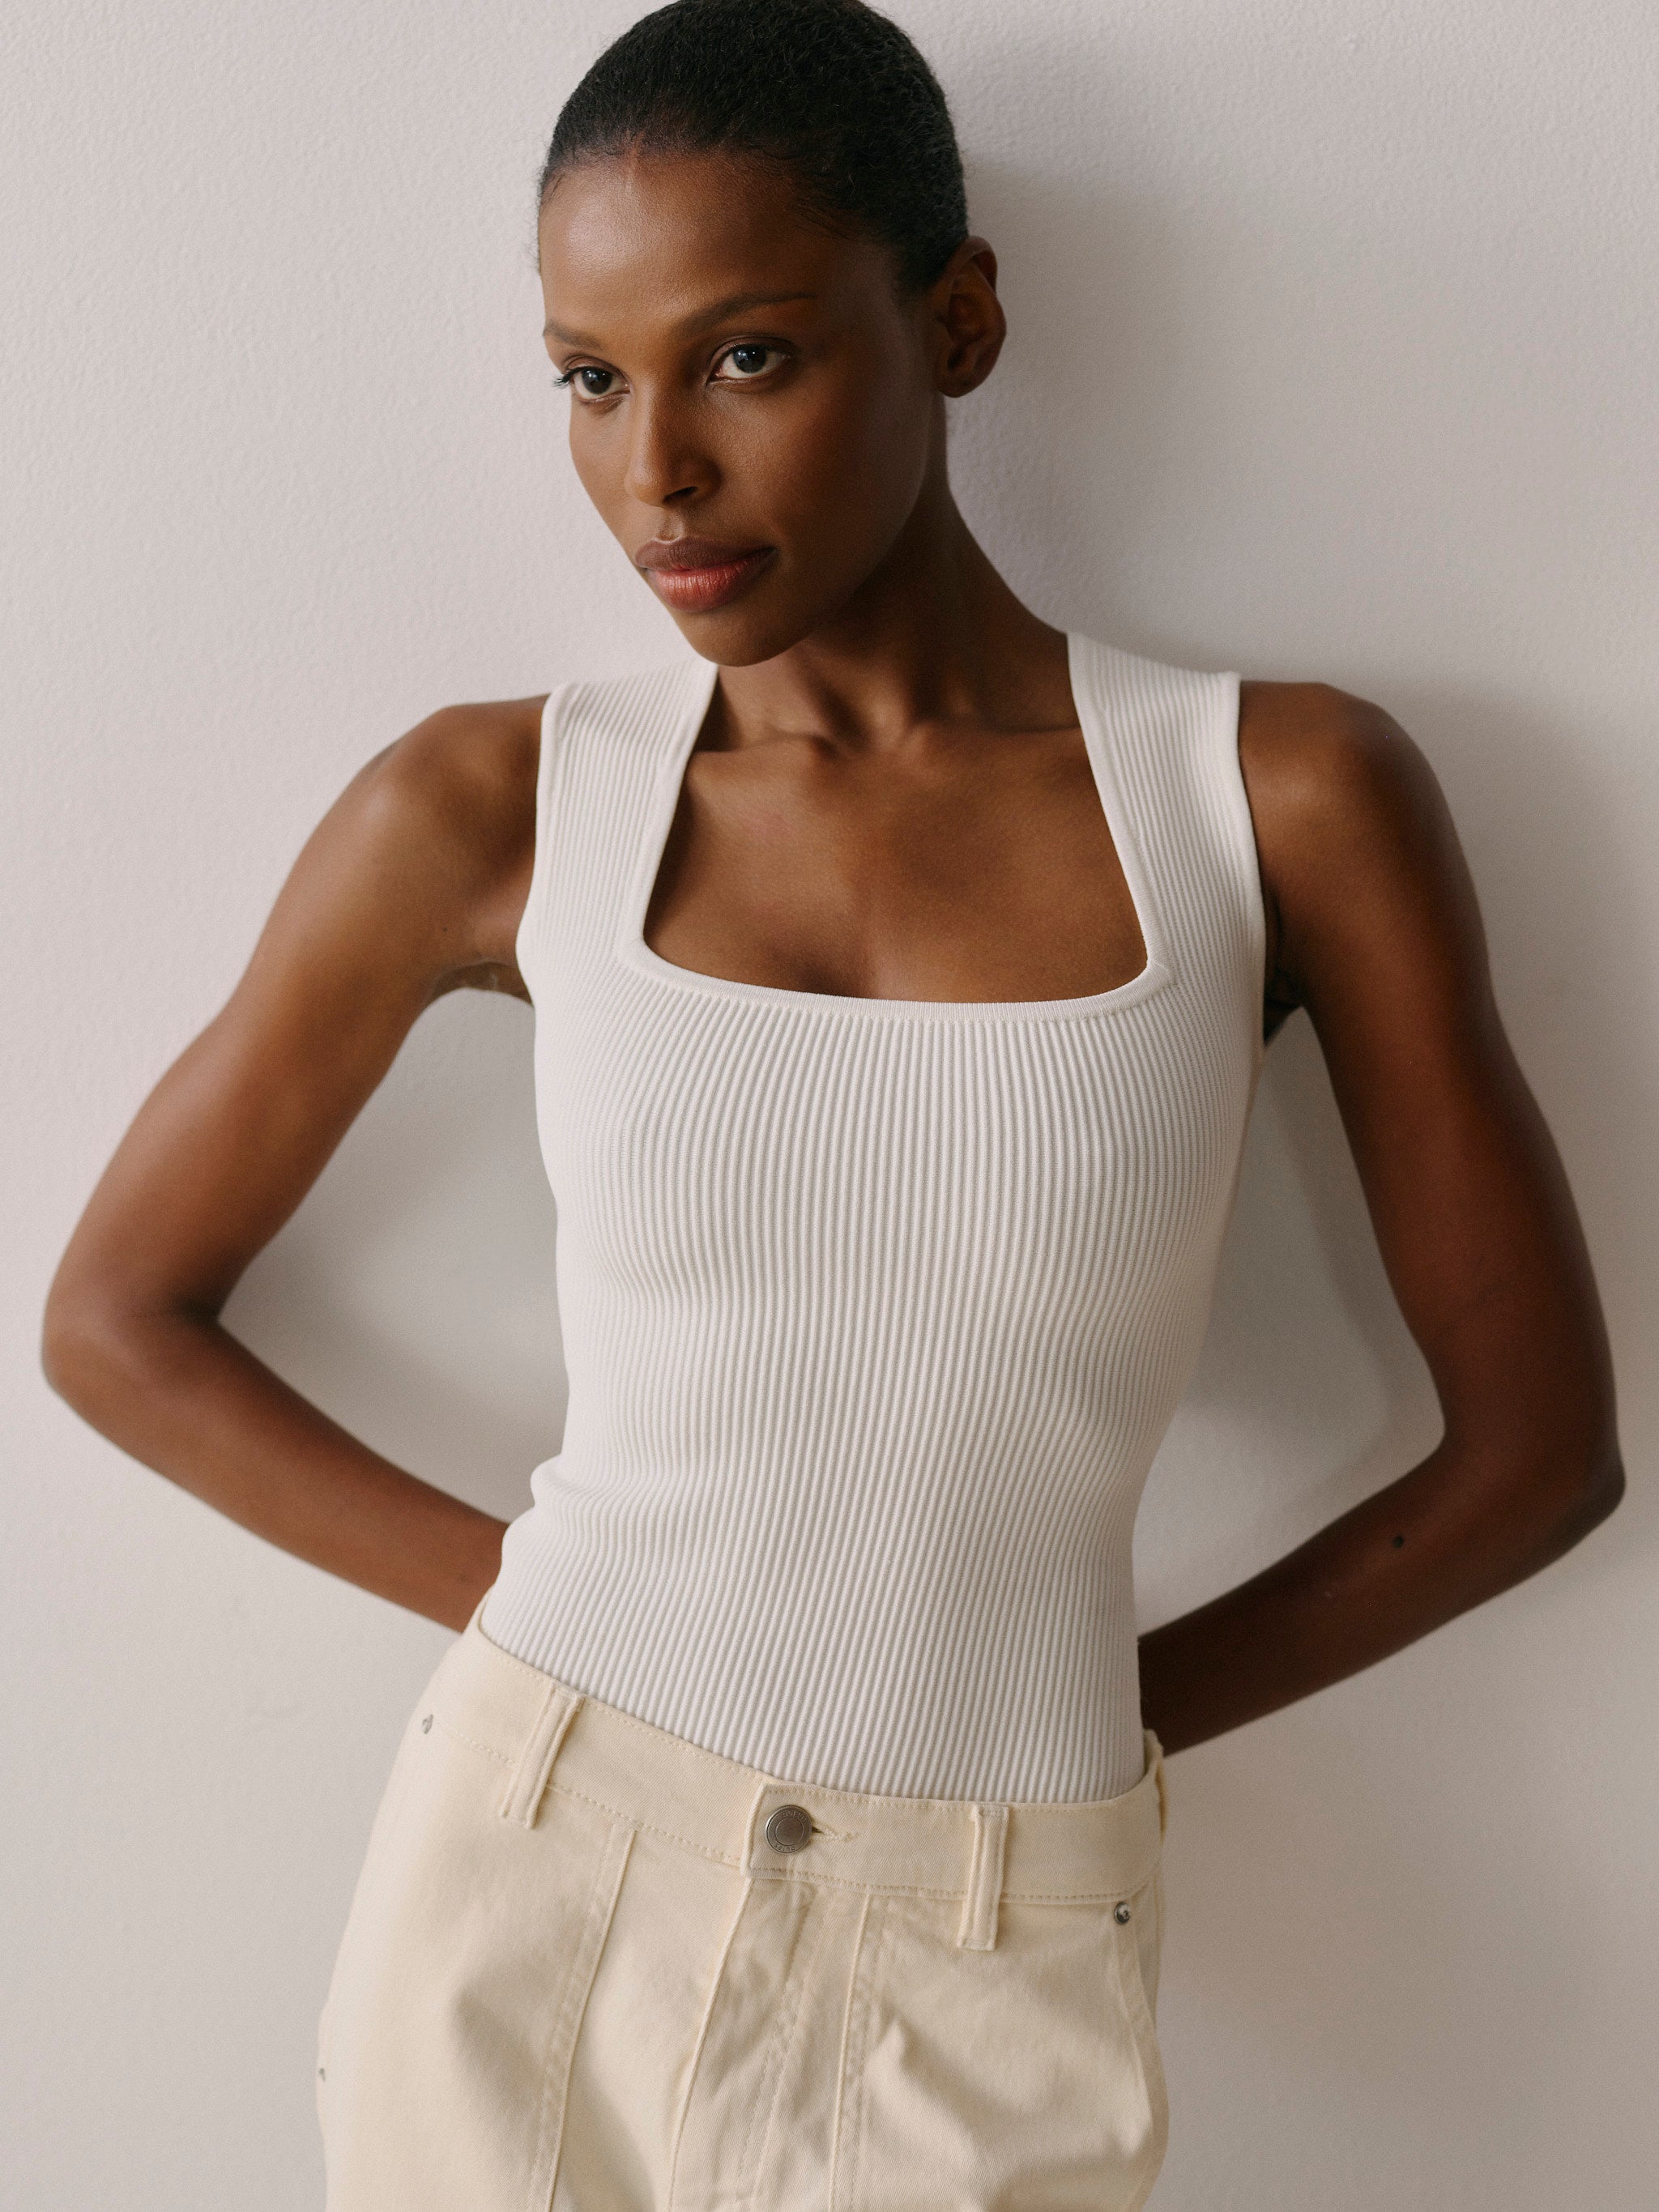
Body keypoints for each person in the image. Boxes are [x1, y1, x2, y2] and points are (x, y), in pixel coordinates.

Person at [41, 2, 1623, 2205]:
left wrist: (1069, 1743)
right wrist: (546, 1632)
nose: (653, 471)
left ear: (956, 321)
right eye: (590, 377)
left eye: (747, 357)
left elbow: (1539, 1455)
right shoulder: (495, 803)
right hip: (531, 1879)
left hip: (1000, 1932)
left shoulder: (1278, 799)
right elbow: (115, 1317)